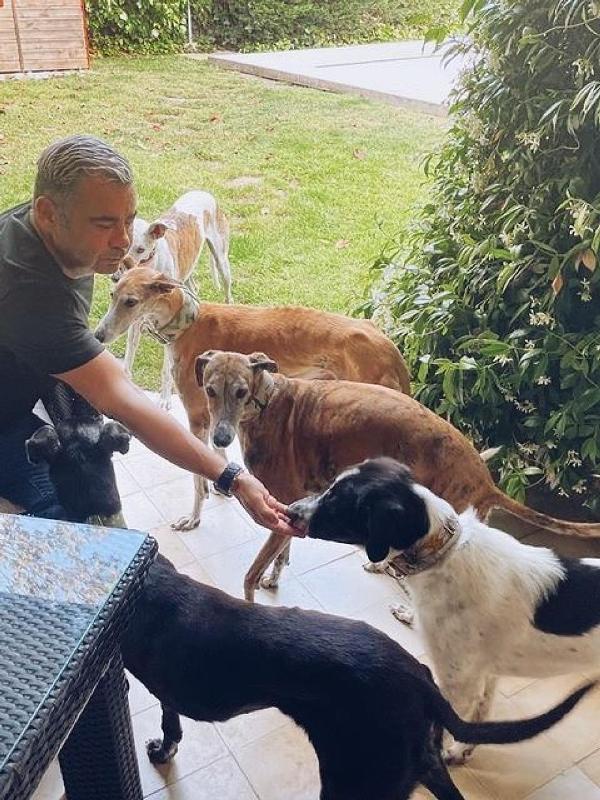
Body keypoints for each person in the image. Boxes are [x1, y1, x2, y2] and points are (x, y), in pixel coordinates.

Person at [0, 134, 294, 535]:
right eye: (105, 224)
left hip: (21, 380)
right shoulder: (29, 294)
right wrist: (232, 477)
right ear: (49, 213)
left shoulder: (44, 231)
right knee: (76, 522)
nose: (123, 242)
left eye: (128, 219)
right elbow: (123, 398)